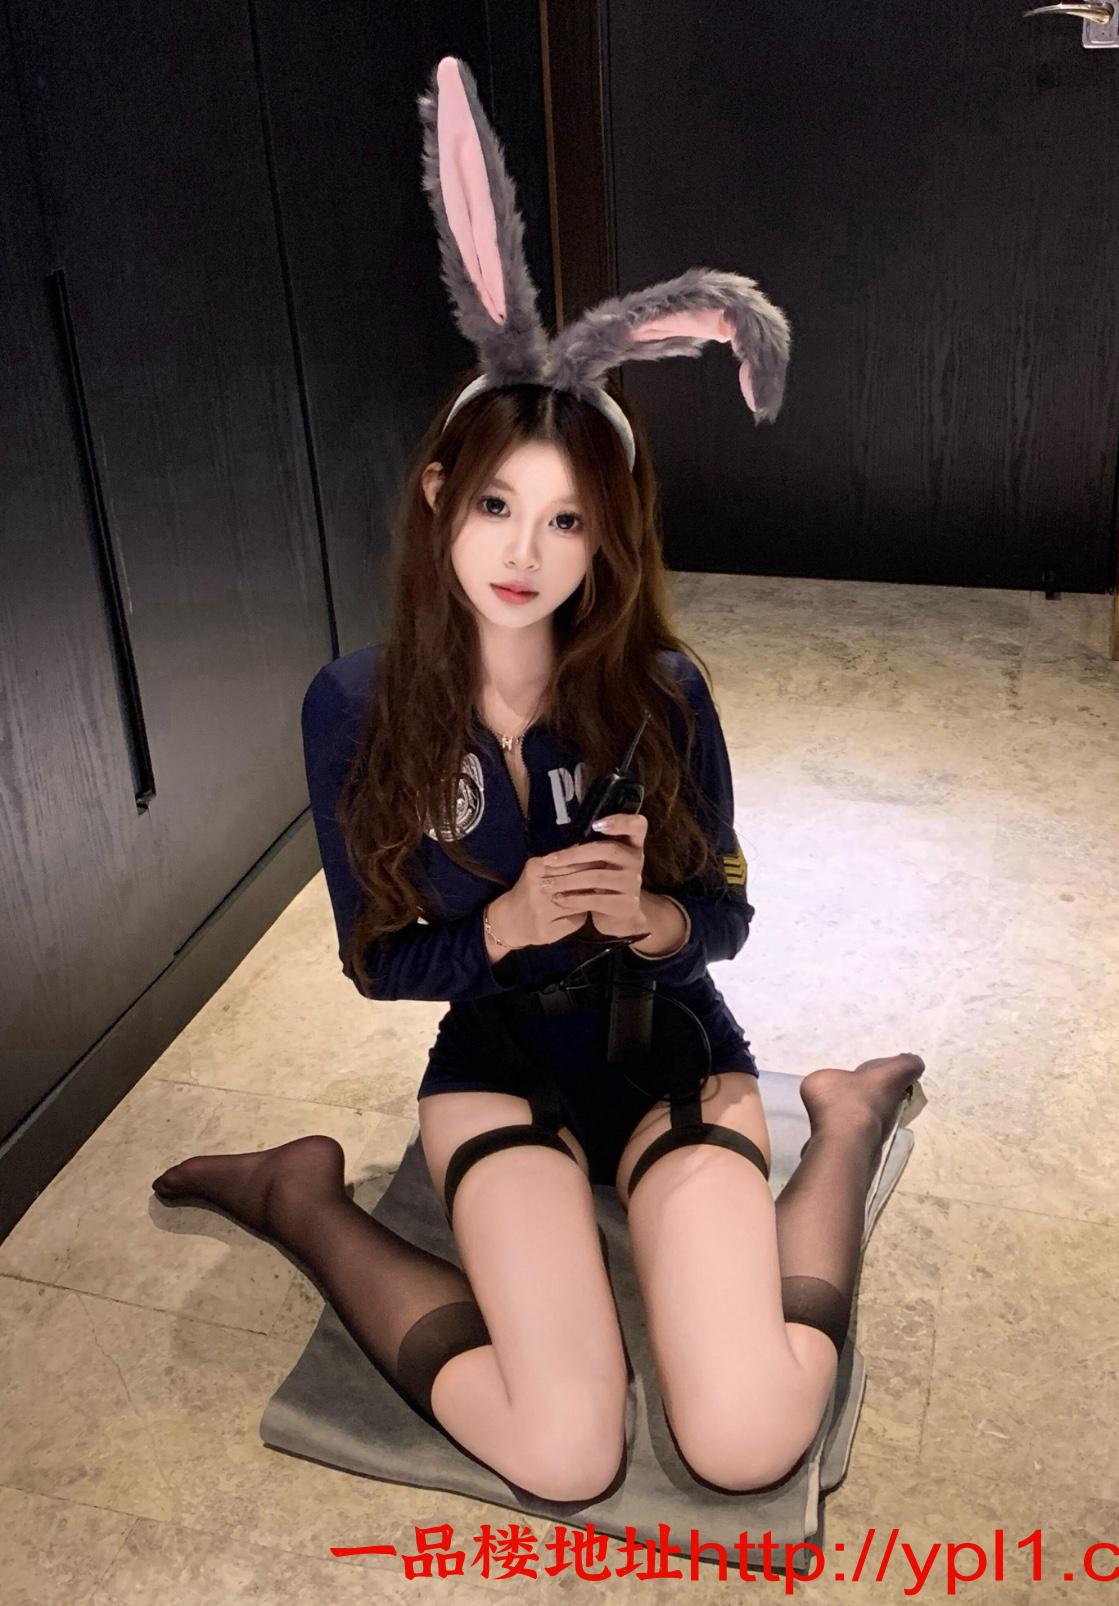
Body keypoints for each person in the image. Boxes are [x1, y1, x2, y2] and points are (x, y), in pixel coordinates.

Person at [150, 55, 926, 1506]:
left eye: (568, 521)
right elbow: (379, 959)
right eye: (499, 502)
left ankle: (845, 1118)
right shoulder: (355, 706)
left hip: (670, 1052)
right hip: (496, 1064)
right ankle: (301, 1197)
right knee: (565, 1449)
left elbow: (727, 919)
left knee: (745, 1436)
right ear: (441, 494)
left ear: (607, 537)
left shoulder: (664, 693)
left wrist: (653, 920)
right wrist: (502, 932)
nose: (525, 551)